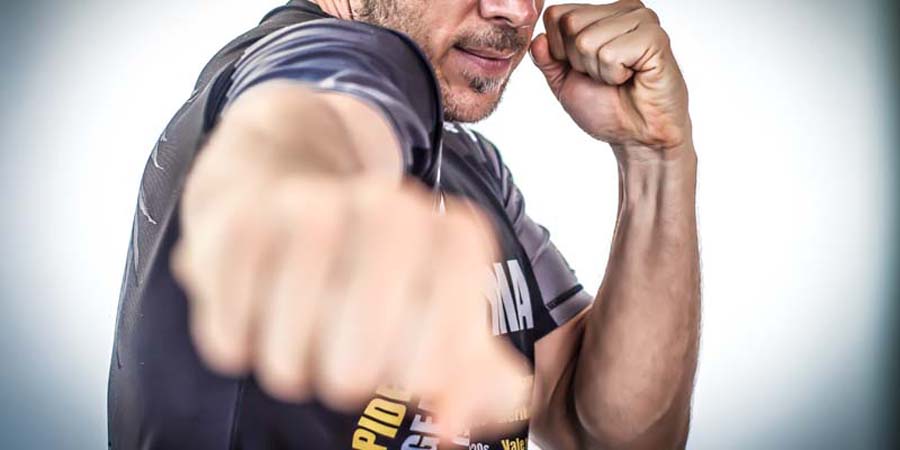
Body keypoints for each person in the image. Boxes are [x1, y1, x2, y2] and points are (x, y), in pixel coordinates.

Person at [107, 0, 701, 448]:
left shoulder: (473, 168)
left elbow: (607, 433)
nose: (518, 10)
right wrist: (310, 196)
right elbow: (316, 105)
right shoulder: (317, 60)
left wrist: (656, 160)